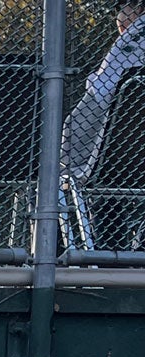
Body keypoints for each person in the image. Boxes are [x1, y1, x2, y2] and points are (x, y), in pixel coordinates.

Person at [64, 0, 145, 248]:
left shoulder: (133, 39)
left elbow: (100, 95)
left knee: (96, 171)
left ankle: (108, 255)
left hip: (115, 161)